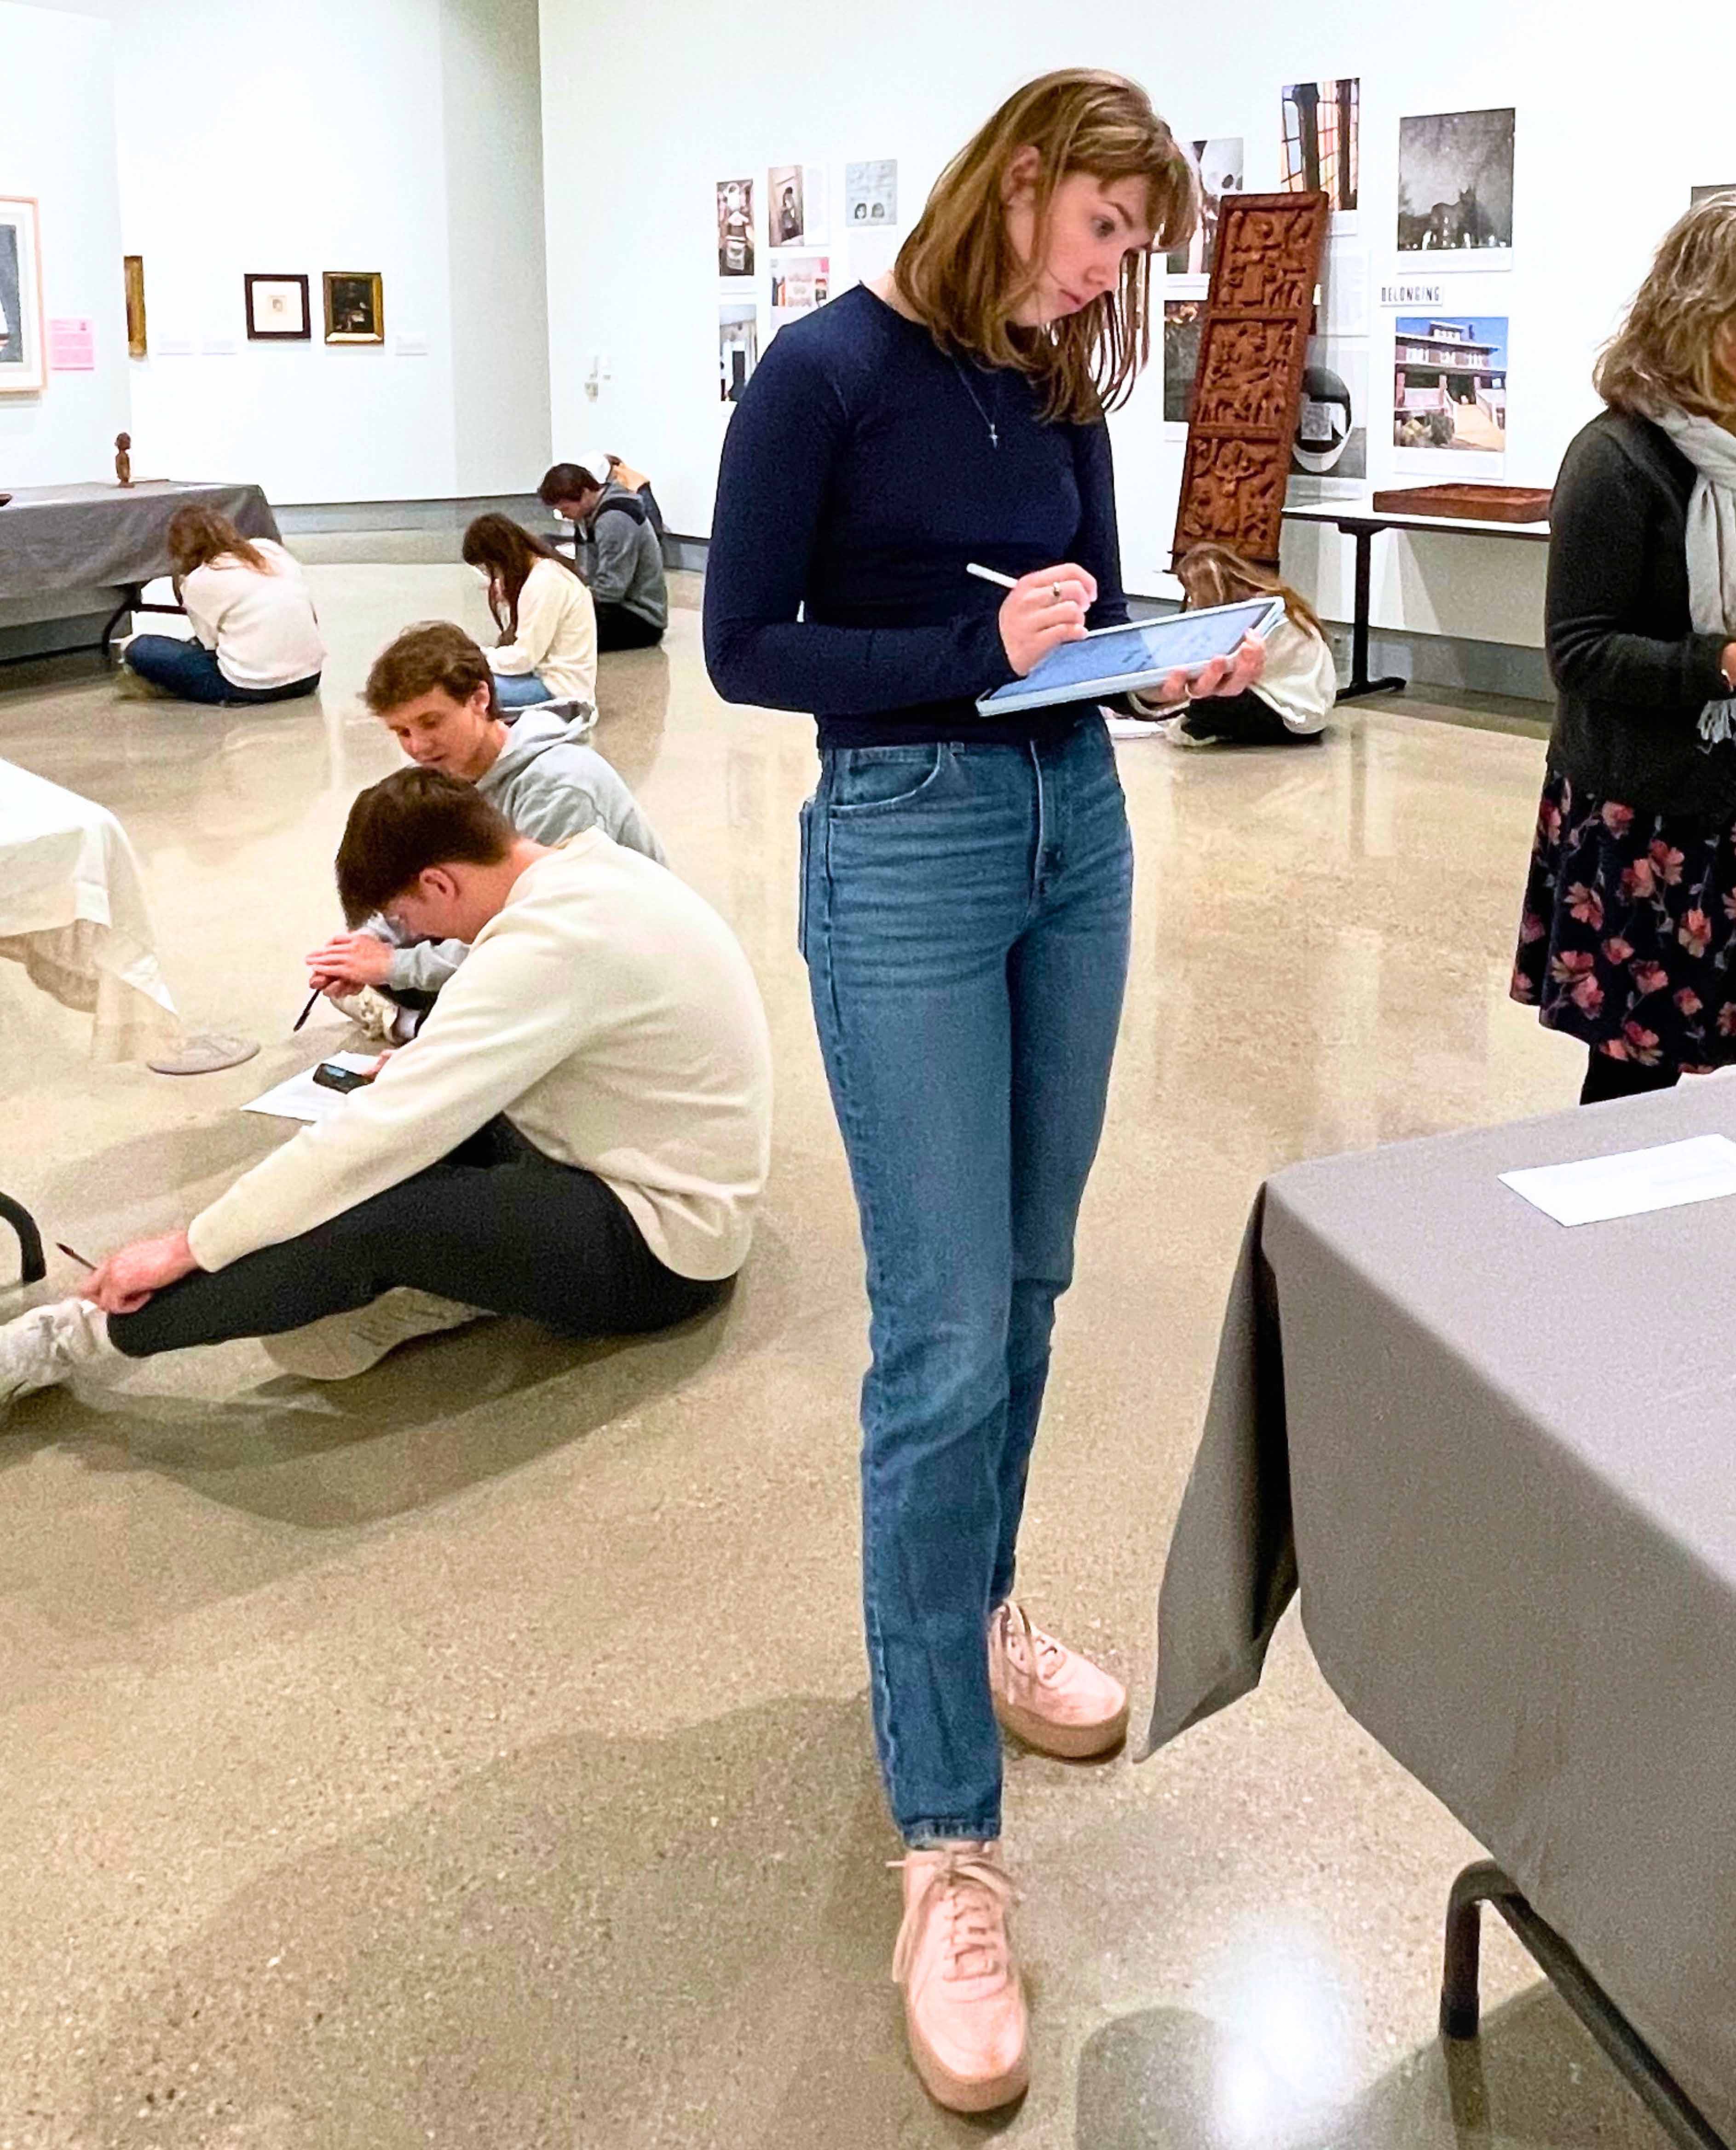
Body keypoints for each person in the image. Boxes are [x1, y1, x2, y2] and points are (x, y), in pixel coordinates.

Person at [703, 68, 1256, 2115]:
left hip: (1071, 830)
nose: (1120, 275)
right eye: (1110, 232)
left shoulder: (1061, 393)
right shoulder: (825, 372)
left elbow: (1081, 617)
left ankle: (981, 1605)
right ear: (1024, 186)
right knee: (938, 1336)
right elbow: (748, 645)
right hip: (912, 842)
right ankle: (947, 1833)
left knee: (1029, 1286)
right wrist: (958, 653)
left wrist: (1156, 657)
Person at [0, 768, 769, 1409]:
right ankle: (460, 1282)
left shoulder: (548, 945)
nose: (429, 941)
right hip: (616, 1160)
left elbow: (373, 1139)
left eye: (411, 919)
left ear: (439, 879)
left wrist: (182, 1247)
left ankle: (72, 1337)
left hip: (665, 1251)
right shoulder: (587, 870)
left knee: (372, 1204)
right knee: (371, 1157)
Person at [1511, 188, 1736, 1106]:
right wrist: (1729, 662)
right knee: (1635, 1071)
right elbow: (1580, 654)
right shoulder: (1617, 459)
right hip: (1649, 813)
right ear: (1700, 308)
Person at [305, 621, 666, 1036]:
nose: (418, 747)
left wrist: (394, 966)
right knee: (357, 973)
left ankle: (414, 1026)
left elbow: (547, 938)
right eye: (402, 732)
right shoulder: (443, 772)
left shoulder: (559, 787)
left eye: (431, 722)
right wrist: (364, 946)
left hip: (598, 966)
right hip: (502, 938)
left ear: (480, 698)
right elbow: (413, 888)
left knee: (475, 996)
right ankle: (418, 1023)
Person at [120, 505, 324, 705]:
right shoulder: (269, 549)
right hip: (310, 677)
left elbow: (209, 644)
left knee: (138, 648)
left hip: (251, 686)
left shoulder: (200, 580)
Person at [1134, 543, 1336, 746]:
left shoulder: (1253, 615)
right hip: (1311, 712)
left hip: (1290, 717)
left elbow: (1214, 665)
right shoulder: (1279, 600)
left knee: (1206, 698)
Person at [460, 511, 595, 708]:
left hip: (558, 689)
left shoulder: (543, 583)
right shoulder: (545, 572)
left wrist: (480, 656)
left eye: (488, 569)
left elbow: (525, 657)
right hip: (552, 678)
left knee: (464, 691)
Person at [537, 461, 669, 650]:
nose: (564, 516)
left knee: (560, 633)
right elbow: (586, 573)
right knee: (550, 618)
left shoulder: (616, 519)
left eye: (565, 509)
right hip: (611, 605)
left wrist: (570, 603)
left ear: (584, 494)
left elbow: (612, 589)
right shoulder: (586, 515)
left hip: (640, 618)